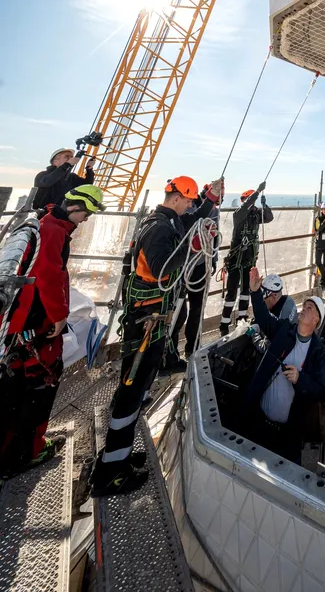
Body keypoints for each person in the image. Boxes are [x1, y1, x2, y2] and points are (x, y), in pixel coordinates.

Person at [91, 175, 223, 496]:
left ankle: (116, 455)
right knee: (131, 391)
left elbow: (193, 217)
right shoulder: (160, 229)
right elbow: (163, 267)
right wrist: (188, 247)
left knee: (136, 389)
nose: (190, 207)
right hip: (146, 323)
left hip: (150, 319)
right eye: (188, 201)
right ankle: (111, 473)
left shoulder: (165, 219)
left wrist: (209, 198)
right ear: (176, 197)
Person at [0, 185, 105, 478]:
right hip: (34, 328)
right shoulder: (54, 230)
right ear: (75, 207)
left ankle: (10, 452)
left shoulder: (43, 222)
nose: (86, 219)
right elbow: (48, 274)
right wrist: (59, 316)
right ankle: (26, 453)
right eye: (87, 213)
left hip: (18, 327)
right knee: (39, 387)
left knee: (12, 389)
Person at [241, 267, 325, 461]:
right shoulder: (284, 330)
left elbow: (319, 390)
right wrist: (254, 292)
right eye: (304, 306)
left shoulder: (317, 352)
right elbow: (264, 318)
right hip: (260, 420)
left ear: (316, 320)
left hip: (288, 432)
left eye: (309, 308)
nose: (303, 309)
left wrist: (300, 379)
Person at [170, 185, 221, 362]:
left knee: (197, 310)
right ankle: (171, 352)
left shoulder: (214, 210)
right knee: (178, 310)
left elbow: (214, 236)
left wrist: (213, 259)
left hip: (200, 265)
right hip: (183, 266)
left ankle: (193, 348)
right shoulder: (189, 207)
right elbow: (187, 224)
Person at [220, 186, 273, 332]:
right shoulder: (239, 215)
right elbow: (244, 208)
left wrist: (264, 205)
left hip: (249, 260)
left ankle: (241, 320)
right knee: (231, 293)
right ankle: (224, 324)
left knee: (245, 291)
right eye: (248, 201)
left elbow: (269, 217)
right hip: (236, 261)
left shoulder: (255, 216)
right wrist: (256, 193)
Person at [33, 147, 97, 212]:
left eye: (71, 157)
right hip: (40, 216)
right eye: (67, 156)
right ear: (56, 162)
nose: (71, 159)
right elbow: (49, 181)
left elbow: (87, 186)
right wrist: (67, 164)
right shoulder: (42, 175)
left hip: (59, 216)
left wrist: (89, 169)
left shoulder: (72, 177)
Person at [246, 273, 298, 352]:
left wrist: (254, 333)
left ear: (273, 296)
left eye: (264, 298)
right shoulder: (288, 301)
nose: (263, 301)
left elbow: (264, 349)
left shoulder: (280, 317)